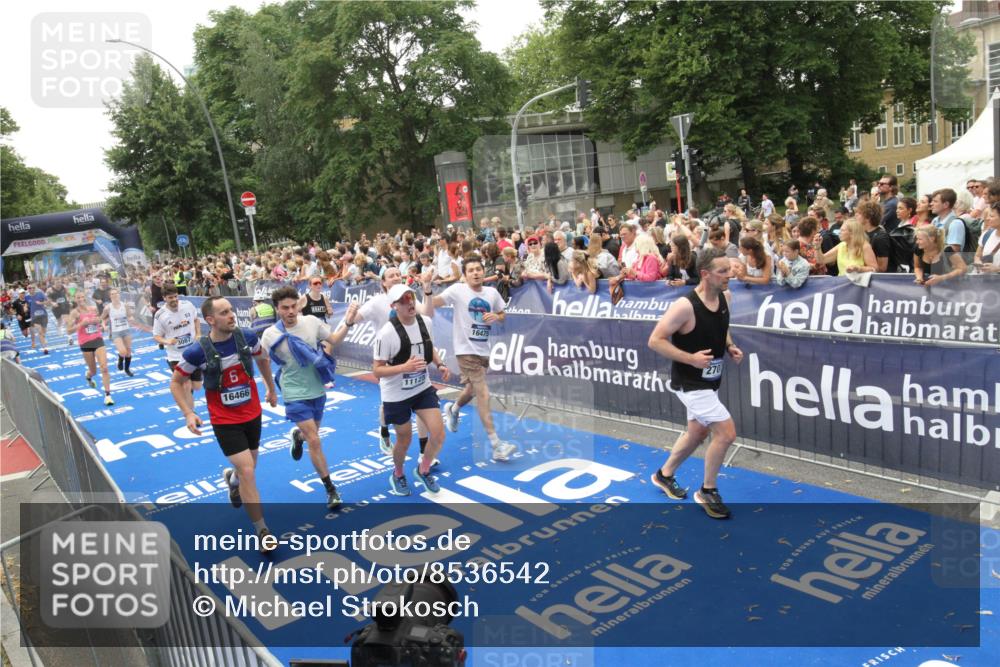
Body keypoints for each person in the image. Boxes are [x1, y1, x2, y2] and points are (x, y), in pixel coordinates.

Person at [171, 296, 279, 552]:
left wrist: (270, 388)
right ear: (210, 320)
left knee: (249, 467)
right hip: (224, 420)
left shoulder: (248, 337)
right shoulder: (198, 351)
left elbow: (263, 359)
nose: (232, 315)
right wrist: (188, 412)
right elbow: (176, 382)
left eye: (231, 310)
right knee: (249, 472)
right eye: (224, 313)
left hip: (252, 413)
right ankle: (262, 530)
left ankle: (232, 480)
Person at [647, 247, 744, 519]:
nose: (729, 275)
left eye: (729, 269)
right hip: (690, 383)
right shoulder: (685, 306)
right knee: (726, 433)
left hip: (709, 380)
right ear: (705, 274)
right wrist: (690, 358)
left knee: (698, 433)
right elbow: (655, 340)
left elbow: (721, 327)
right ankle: (708, 490)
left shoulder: (726, 296)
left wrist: (730, 346)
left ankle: (664, 475)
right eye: (722, 271)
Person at [261, 286, 359, 510]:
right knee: (315, 440)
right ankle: (331, 489)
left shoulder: (311, 323)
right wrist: (270, 388)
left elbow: (333, 339)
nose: (290, 311)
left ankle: (298, 436)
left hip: (316, 387)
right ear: (277, 309)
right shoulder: (270, 335)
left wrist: (349, 321)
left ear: (299, 305)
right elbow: (263, 361)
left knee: (310, 434)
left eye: (293, 306)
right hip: (293, 391)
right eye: (285, 308)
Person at [337, 267, 435, 464]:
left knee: (423, 408)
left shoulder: (408, 297)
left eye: (398, 274)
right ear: (383, 282)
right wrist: (349, 317)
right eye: (391, 276)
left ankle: (424, 453)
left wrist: (427, 289)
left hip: (414, 360)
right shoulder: (376, 302)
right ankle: (384, 433)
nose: (396, 277)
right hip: (389, 362)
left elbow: (428, 314)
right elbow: (354, 319)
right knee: (387, 407)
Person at [426, 256, 518, 462]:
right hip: (465, 350)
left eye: (478, 269)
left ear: (483, 271)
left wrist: (497, 317)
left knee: (472, 390)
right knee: (483, 393)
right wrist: (426, 287)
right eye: (471, 270)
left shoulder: (492, 293)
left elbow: (502, 313)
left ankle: (453, 408)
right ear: (465, 275)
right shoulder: (457, 291)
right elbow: (433, 304)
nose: (476, 273)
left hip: (483, 350)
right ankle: (497, 445)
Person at [372, 284, 450, 496]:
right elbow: (377, 370)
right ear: (394, 306)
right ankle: (397, 473)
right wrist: (403, 368)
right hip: (396, 395)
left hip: (421, 388)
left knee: (439, 433)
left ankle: (423, 469)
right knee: (404, 439)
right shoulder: (386, 334)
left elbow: (429, 346)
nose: (409, 302)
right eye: (403, 300)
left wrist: (440, 364)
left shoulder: (426, 322)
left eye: (411, 297)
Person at [152, 284, 203, 392]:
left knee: (197, 386)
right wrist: (167, 341)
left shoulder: (188, 305)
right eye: (171, 297)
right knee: (186, 386)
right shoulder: (160, 315)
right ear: (164, 298)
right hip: (175, 356)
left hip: (193, 351)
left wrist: (198, 333)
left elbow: (196, 320)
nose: (174, 300)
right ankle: (188, 409)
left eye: (176, 296)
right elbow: (156, 336)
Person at [66, 292, 114, 406]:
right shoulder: (74, 313)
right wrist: (81, 324)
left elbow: (99, 320)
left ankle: (108, 395)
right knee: (93, 371)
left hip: (98, 339)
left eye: (82, 297)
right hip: (85, 343)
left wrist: (102, 323)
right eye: (78, 297)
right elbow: (69, 330)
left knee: (104, 367)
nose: (81, 299)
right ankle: (88, 376)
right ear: (75, 299)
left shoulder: (93, 308)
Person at [102, 288, 136, 376]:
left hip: (126, 330)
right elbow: (102, 318)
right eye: (112, 294)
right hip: (116, 332)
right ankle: (120, 359)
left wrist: (131, 318)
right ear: (110, 296)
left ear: (119, 295)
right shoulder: (108, 307)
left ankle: (127, 369)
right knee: (123, 351)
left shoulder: (125, 305)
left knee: (128, 351)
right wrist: (104, 326)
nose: (114, 295)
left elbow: (129, 316)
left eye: (116, 293)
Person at [930, 188, 965, 253]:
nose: (931, 204)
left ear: (946, 204)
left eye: (935, 201)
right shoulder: (935, 220)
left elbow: (954, 251)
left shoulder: (955, 223)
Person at [973, 202, 1000, 273]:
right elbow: (977, 255)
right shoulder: (987, 234)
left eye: (992, 216)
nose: (987, 219)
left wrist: (997, 269)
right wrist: (978, 262)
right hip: (986, 281)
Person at [29, 284, 50, 355]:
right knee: (40, 332)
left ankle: (43, 339)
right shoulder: (27, 297)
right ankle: (45, 348)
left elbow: (48, 301)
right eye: (29, 288)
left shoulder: (40, 294)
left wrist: (41, 303)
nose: (31, 289)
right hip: (35, 318)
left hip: (43, 315)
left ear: (35, 289)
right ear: (27, 289)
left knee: (43, 332)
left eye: (32, 288)